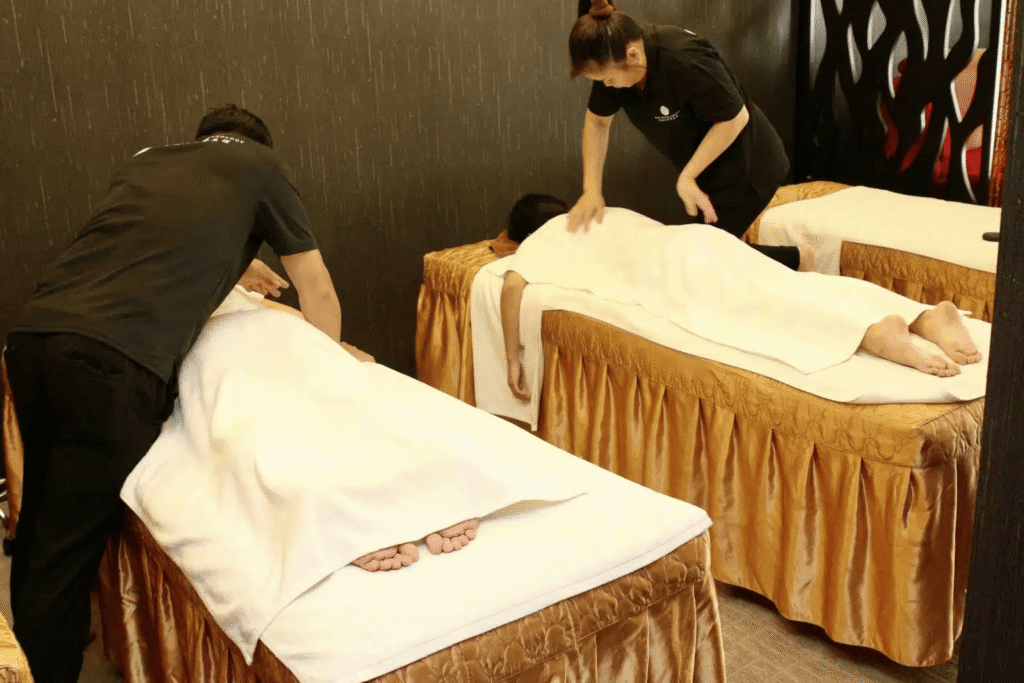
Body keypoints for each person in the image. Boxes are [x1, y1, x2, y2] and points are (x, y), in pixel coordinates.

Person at [2, 104, 367, 683]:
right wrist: (324, 371)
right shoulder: (261, 165)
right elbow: (316, 289)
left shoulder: (149, 161)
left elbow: (148, 242)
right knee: (65, 554)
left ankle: (19, 656)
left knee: (43, 525)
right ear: (259, 146)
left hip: (33, 341)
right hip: (112, 364)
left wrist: (236, 264)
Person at [498, 195, 981, 401]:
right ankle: (920, 315)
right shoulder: (601, 213)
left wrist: (513, 360)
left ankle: (875, 335)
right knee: (792, 285)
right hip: (696, 241)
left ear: (523, 232)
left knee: (767, 312)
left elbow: (513, 285)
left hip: (674, 272)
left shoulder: (543, 238)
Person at [566, 0, 813, 272]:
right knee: (704, 252)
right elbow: (598, 123)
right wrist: (591, 191)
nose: (607, 86)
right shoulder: (613, 57)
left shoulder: (683, 57)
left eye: (608, 79)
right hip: (706, 167)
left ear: (633, 56)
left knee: (702, 256)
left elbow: (735, 118)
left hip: (748, 162)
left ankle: (798, 260)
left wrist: (687, 176)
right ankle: (797, 259)